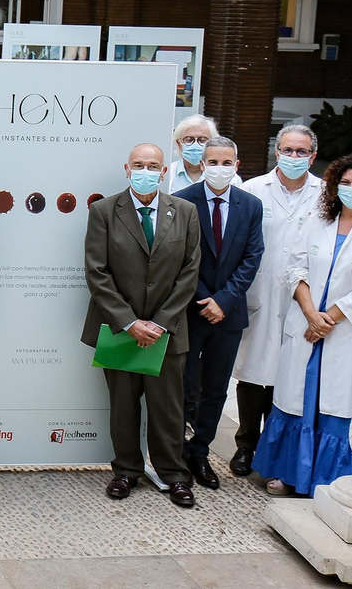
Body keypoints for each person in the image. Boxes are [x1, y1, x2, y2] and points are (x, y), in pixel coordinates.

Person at [253, 153, 352, 497]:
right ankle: (288, 473)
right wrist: (310, 313)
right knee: (297, 398)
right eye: (345, 183)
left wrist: (328, 319)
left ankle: (327, 479)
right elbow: (295, 268)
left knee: (334, 404)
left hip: (345, 331)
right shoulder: (317, 220)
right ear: (334, 186)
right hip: (306, 325)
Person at [83, 142, 202, 507]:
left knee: (168, 408)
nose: (145, 171)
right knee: (123, 406)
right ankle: (126, 471)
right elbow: (97, 272)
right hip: (119, 328)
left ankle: (173, 474)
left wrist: (161, 323)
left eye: (152, 166)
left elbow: (190, 272)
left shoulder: (185, 212)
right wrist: (130, 322)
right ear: (127, 169)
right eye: (138, 165)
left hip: (168, 332)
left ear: (164, 172)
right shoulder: (104, 210)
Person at [173, 136, 263, 491]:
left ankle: (200, 452)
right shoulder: (182, 201)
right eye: (213, 162)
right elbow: (179, 258)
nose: (219, 168)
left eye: (227, 163)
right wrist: (204, 299)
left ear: (237, 166)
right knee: (183, 386)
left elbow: (252, 256)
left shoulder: (250, 205)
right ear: (202, 164)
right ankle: (176, 454)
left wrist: (223, 301)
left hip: (229, 313)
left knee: (215, 388)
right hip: (190, 310)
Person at [232, 124, 323, 477]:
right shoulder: (253, 189)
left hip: (303, 298)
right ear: (276, 152)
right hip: (260, 293)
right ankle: (246, 445)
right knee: (253, 372)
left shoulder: (325, 194)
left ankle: (276, 450)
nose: (293, 156)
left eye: (302, 152)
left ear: (313, 157)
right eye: (288, 150)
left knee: (290, 375)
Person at [167, 115, 238, 194]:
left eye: (202, 140)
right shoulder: (168, 174)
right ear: (179, 143)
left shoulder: (229, 176)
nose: (195, 145)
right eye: (189, 140)